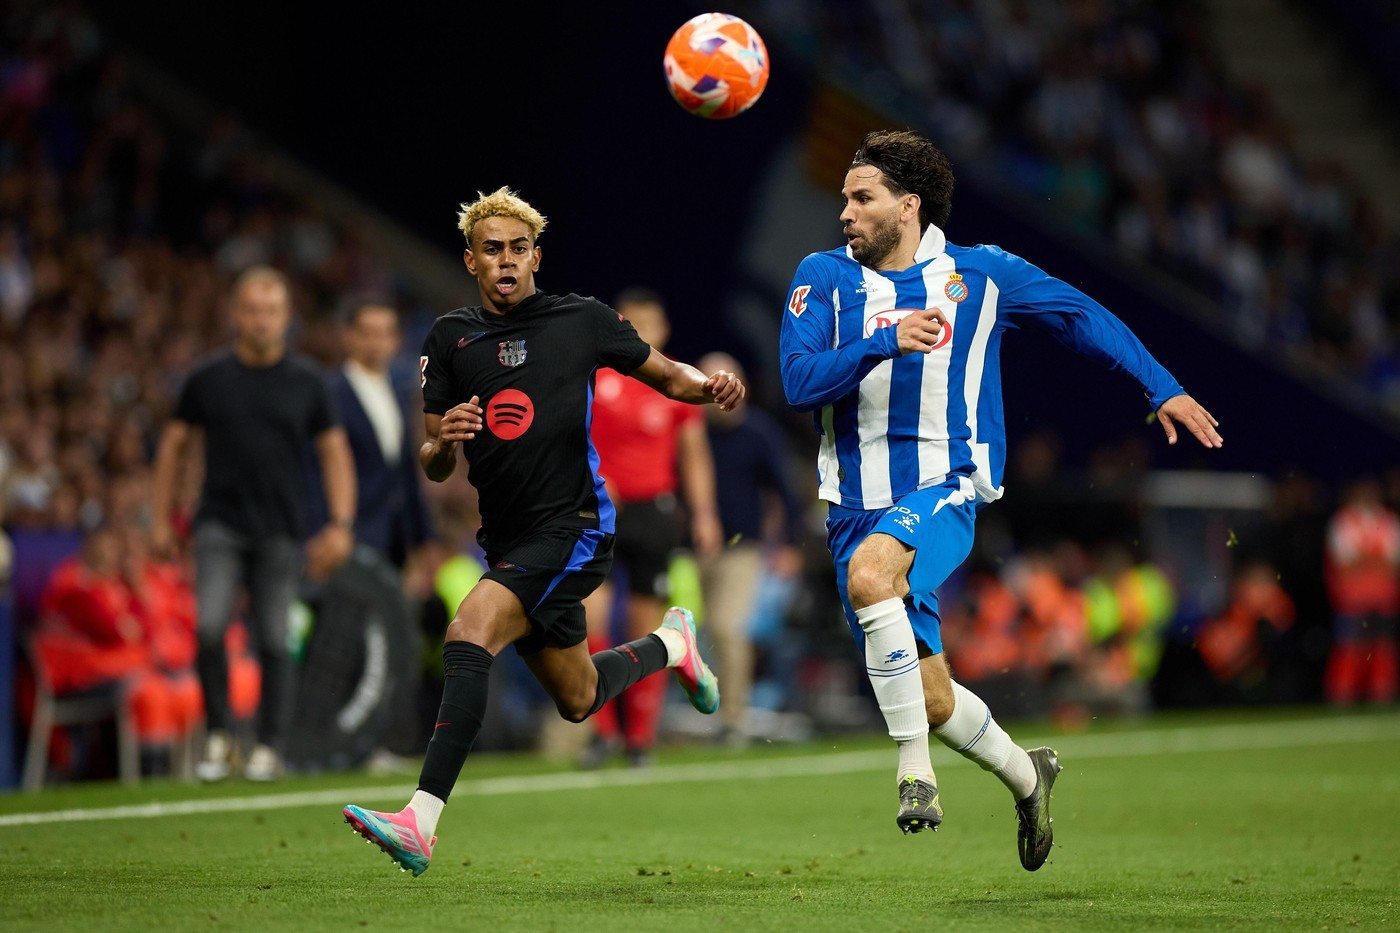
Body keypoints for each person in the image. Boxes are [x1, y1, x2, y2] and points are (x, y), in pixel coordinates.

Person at [778, 129, 1222, 871]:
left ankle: (914, 773)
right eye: (845, 198)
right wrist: (886, 339)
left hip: (946, 488)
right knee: (934, 695)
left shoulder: (981, 275)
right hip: (853, 506)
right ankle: (1028, 775)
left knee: (870, 580)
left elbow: (1082, 315)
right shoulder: (821, 277)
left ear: (908, 206)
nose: (846, 213)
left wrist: (1162, 384)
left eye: (863, 198)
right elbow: (799, 383)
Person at [342, 186, 744, 876]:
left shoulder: (580, 319)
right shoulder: (449, 339)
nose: (506, 261)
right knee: (579, 695)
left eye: (518, 248)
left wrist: (709, 385)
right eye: (492, 250)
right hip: (506, 537)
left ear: (536, 255)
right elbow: (434, 460)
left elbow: (664, 374)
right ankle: (671, 643)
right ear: (471, 260)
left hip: (575, 525)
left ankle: (420, 819)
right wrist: (446, 442)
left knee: (470, 628)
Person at [151, 266, 356, 782]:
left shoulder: (308, 382)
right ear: (235, 315)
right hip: (218, 523)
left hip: (281, 529)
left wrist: (341, 523)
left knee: (272, 639)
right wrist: (160, 518)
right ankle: (220, 736)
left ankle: (269, 745)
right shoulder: (207, 378)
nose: (261, 320)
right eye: (252, 310)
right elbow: (173, 447)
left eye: (271, 311)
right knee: (211, 626)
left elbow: (334, 453)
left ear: (286, 318)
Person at [580, 288, 722, 769]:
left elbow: (695, 455)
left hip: (653, 514)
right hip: (598, 509)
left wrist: (704, 514)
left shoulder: (677, 382)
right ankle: (602, 732)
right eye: (631, 323)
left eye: (649, 324)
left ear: (662, 332)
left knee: (645, 629)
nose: (640, 332)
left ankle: (639, 740)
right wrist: (592, 481)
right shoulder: (595, 379)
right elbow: (569, 440)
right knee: (588, 620)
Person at [694, 351, 805, 747]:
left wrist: (790, 544)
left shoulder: (758, 432)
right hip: (689, 552)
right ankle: (675, 719)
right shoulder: (691, 431)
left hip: (743, 547)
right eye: (709, 381)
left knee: (728, 628)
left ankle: (733, 718)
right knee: (692, 635)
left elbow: (786, 490)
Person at [328, 298, 433, 569]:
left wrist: (424, 537)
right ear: (348, 336)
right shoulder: (332, 393)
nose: (376, 342)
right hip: (351, 533)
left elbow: (404, 469)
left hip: (394, 537)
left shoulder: (398, 394)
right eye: (368, 333)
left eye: (385, 333)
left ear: (396, 340)